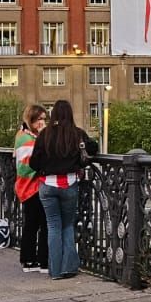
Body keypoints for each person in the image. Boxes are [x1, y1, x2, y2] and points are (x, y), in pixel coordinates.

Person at [26, 100, 97, 280]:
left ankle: (55, 270)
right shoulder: (77, 134)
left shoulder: (44, 135)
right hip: (69, 184)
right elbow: (92, 150)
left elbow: (33, 163)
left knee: (53, 226)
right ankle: (69, 267)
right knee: (67, 225)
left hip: (48, 186)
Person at [13, 105, 50, 271]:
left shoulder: (33, 136)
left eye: (44, 119)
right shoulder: (24, 138)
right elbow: (26, 166)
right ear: (30, 119)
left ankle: (35, 258)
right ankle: (30, 258)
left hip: (35, 186)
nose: (41, 122)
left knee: (38, 223)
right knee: (34, 224)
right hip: (30, 186)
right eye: (38, 119)